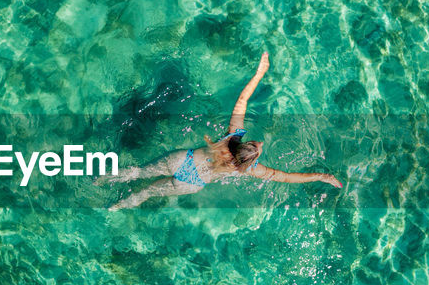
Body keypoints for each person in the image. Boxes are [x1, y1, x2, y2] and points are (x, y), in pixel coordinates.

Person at [102, 53, 344, 209]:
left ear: (241, 145)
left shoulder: (230, 138)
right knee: (147, 193)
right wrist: (321, 176)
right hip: (191, 182)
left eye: (256, 146)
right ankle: (113, 208)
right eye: (257, 147)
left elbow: (242, 100)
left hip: (181, 161)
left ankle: (100, 179)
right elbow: (286, 176)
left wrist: (259, 73)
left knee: (139, 172)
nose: (259, 144)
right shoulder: (249, 168)